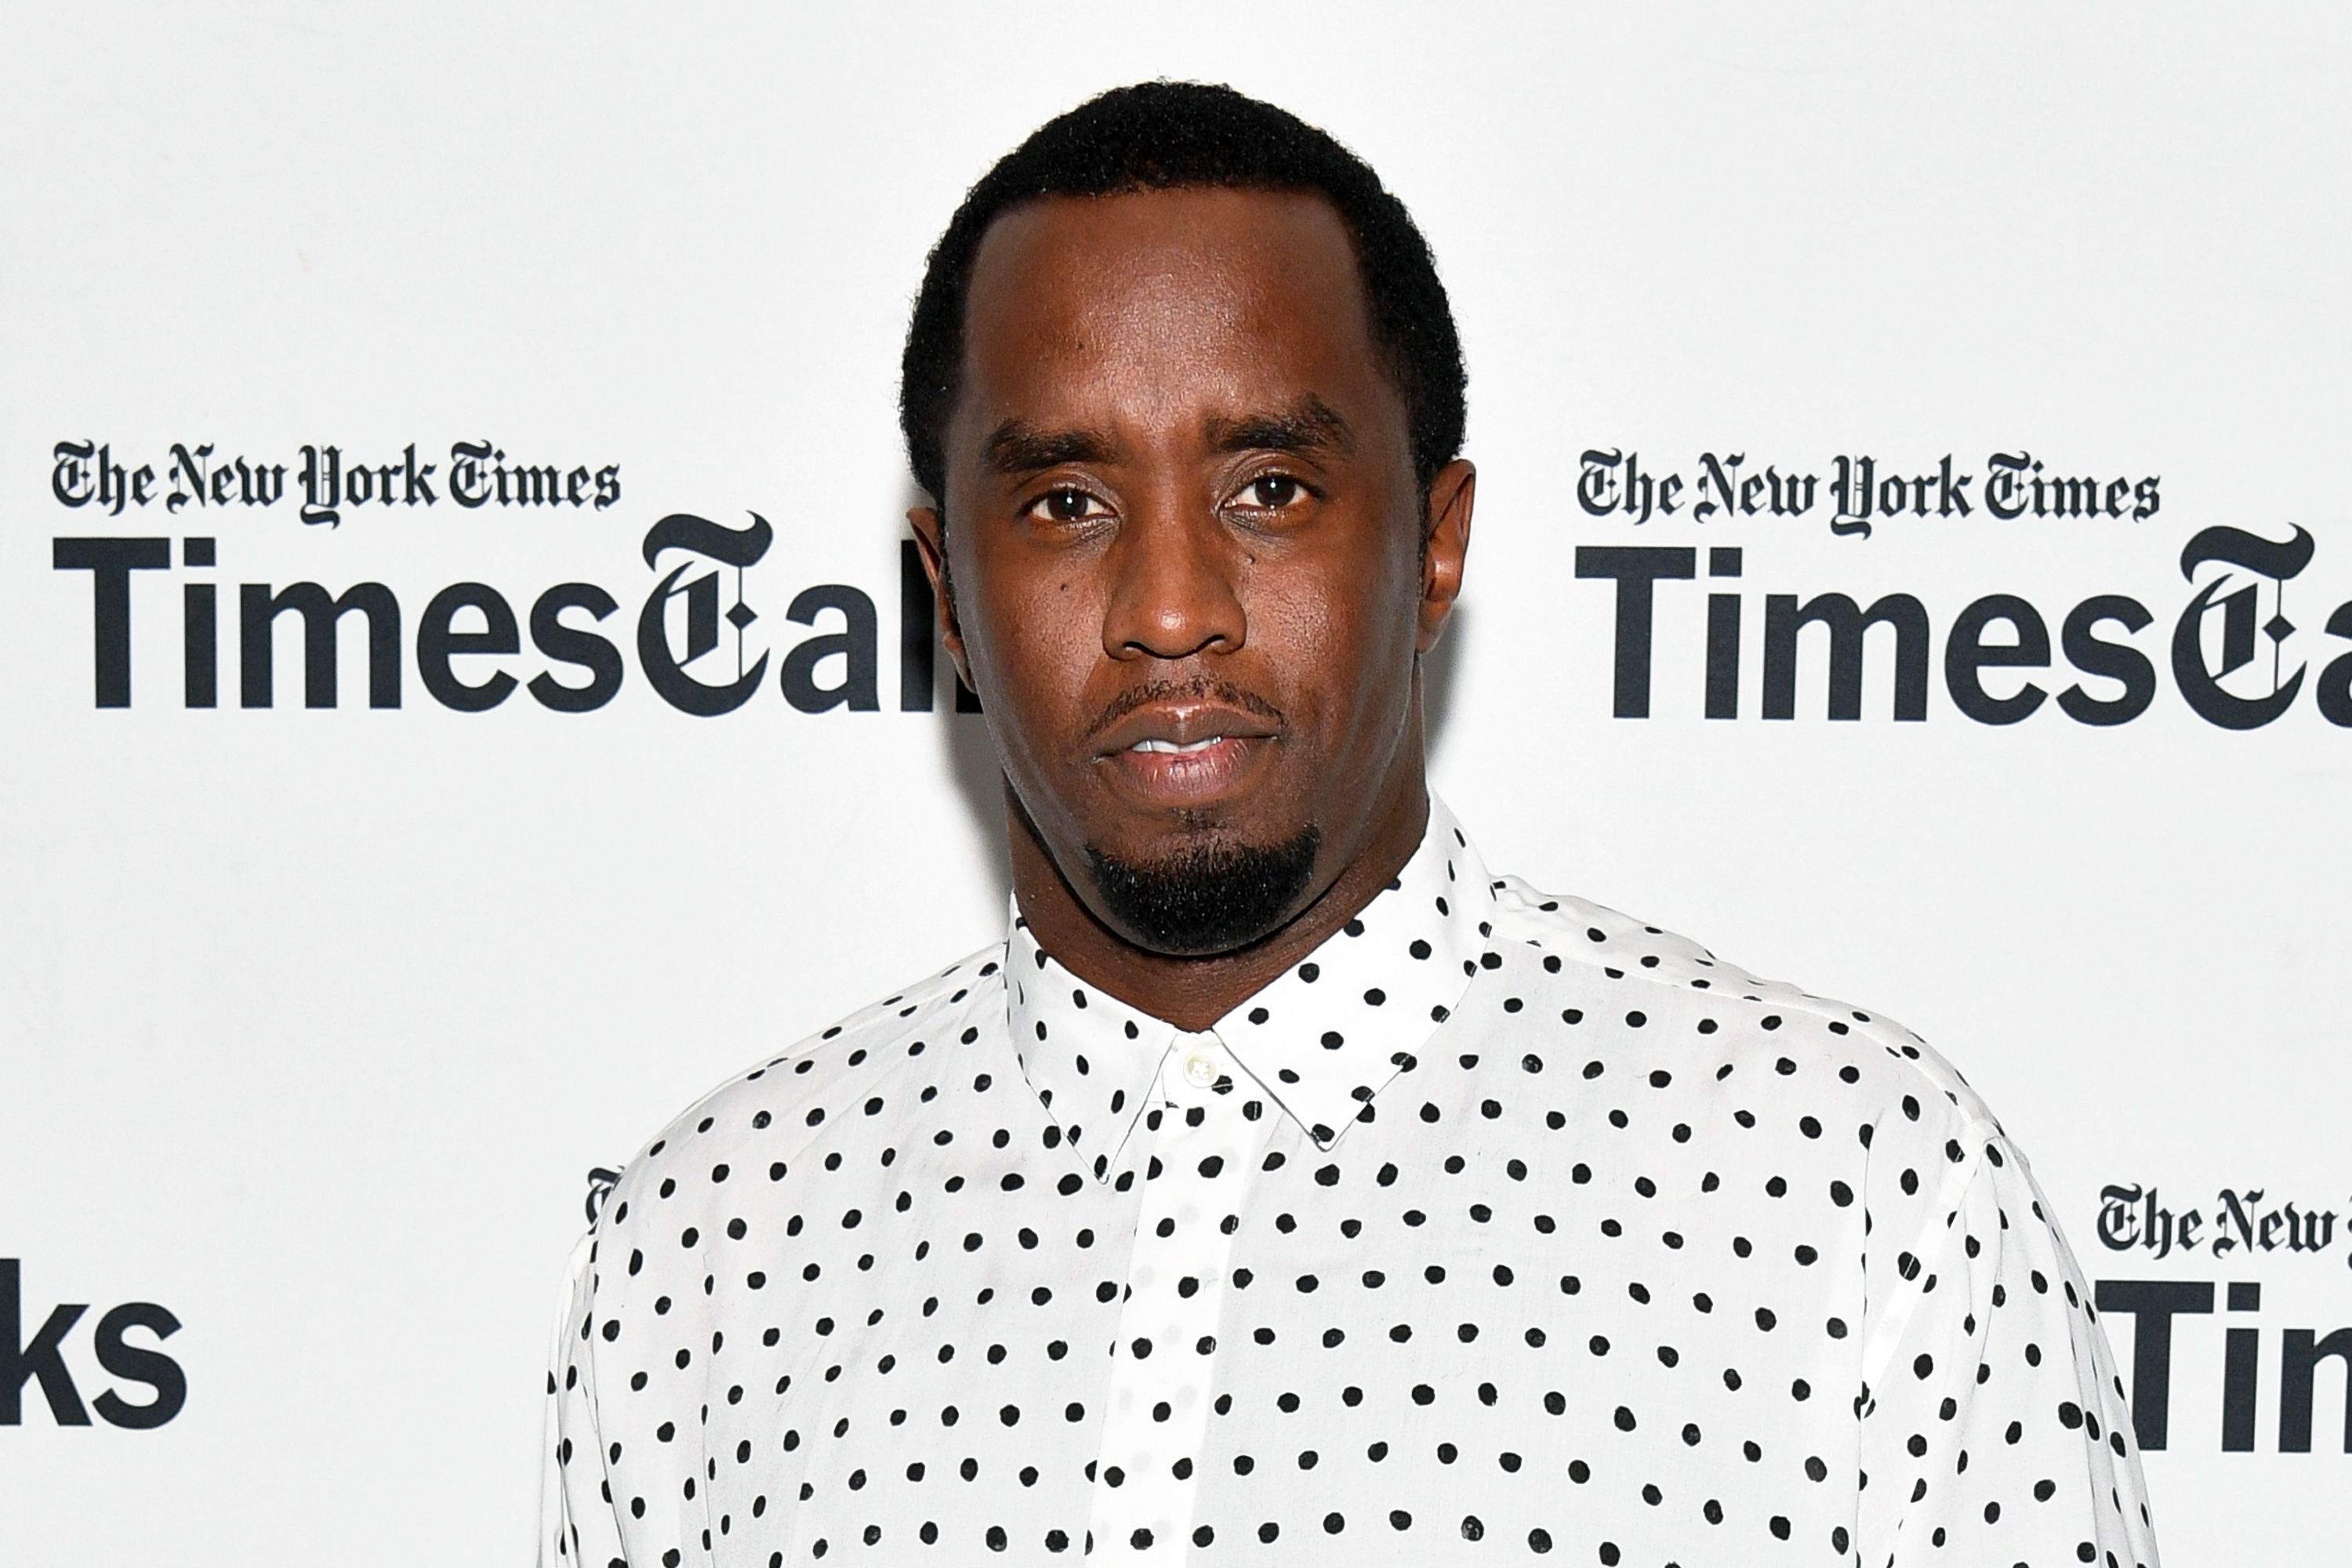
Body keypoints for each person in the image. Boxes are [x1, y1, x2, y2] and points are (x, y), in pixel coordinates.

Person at [540, 82, 2159, 1567]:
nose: (1170, 610)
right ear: (946, 594)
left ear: (1436, 548)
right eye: (1064, 503)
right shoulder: (709, 1246)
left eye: (1270, 490)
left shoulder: (1850, 1183)